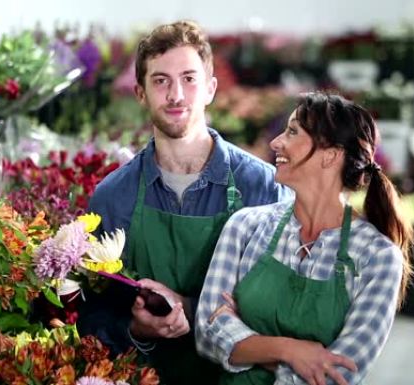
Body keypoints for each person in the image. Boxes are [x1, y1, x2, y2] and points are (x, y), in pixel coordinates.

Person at [79, 20, 290, 385]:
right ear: (141, 93)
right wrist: (136, 328)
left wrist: (191, 309)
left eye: (189, 79)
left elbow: (287, 303)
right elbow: (91, 313)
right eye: (160, 80)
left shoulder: (263, 189)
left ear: (210, 89)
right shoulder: (113, 197)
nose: (176, 94)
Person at [196, 92, 414, 385]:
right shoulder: (246, 227)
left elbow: (338, 373)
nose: (275, 143)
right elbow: (206, 335)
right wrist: (292, 351)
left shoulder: (377, 256)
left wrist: (247, 343)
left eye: (292, 131)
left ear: (330, 155)